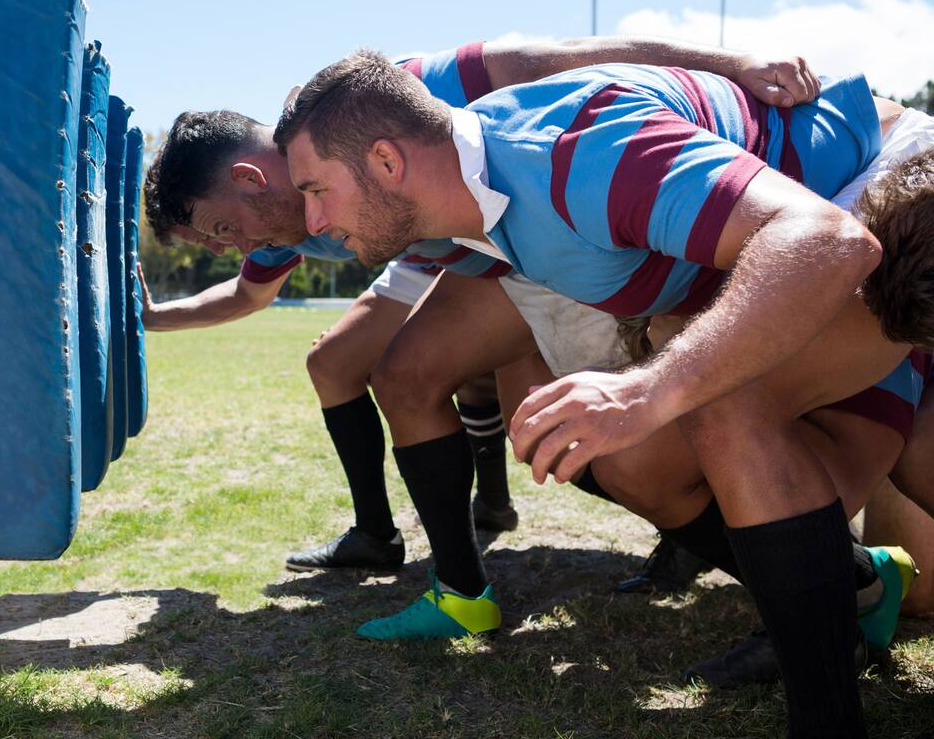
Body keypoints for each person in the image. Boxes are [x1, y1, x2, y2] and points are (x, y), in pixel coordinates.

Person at [275, 51, 929, 738]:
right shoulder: (467, 202)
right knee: (634, 462)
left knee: (720, 401)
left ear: (386, 161)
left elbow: (826, 238)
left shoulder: (573, 151)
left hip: (888, 182)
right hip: (793, 243)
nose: (311, 221)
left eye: (317, 190)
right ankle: (854, 587)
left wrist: (648, 387)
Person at [142, 36, 817, 577]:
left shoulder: (387, 102)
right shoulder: (287, 223)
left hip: (570, 234)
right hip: (489, 262)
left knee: (619, 434)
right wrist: (149, 318)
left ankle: (785, 557)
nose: (231, 249)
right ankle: (456, 564)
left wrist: (733, 62)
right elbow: (247, 295)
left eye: (222, 230)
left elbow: (564, 57)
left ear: (252, 179)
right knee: (495, 409)